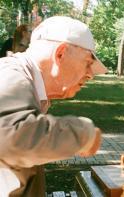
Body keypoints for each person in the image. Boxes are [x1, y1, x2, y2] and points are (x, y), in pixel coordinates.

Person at [0, 16, 107, 196]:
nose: (90, 75)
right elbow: (11, 136)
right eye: (88, 63)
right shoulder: (10, 75)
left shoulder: (25, 82)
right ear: (60, 54)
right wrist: (84, 134)